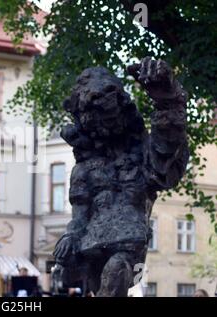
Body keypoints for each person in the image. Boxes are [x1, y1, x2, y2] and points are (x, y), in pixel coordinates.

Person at [54, 57, 189, 296]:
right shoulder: (84, 169)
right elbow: (80, 215)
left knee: (115, 271)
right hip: (92, 245)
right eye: (94, 121)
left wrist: (167, 102)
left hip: (130, 242)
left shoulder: (140, 157)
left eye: (107, 118)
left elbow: (165, 166)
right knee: (100, 286)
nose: (103, 127)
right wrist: (69, 237)